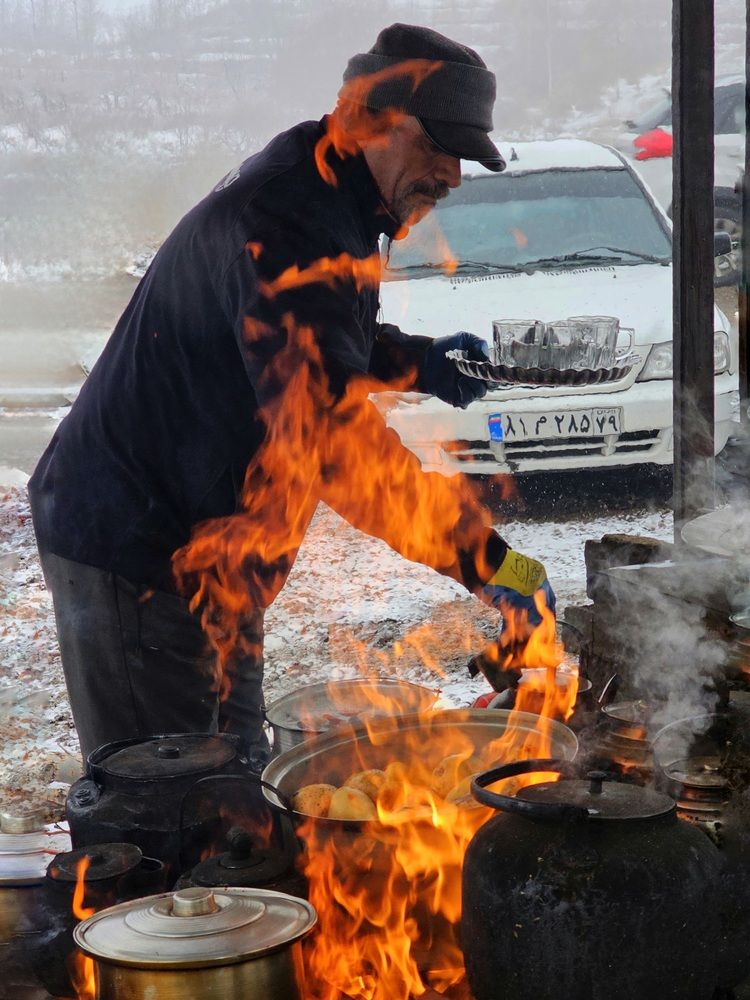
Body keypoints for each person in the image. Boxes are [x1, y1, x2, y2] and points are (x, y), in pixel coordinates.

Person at [28, 23, 555, 767]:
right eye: (441, 149)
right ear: (378, 121)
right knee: (168, 810)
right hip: (138, 547)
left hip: (221, 558)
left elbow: (306, 336)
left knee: (239, 781)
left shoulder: (326, 192)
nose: (454, 176)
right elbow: (332, 443)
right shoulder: (286, 217)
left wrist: (415, 362)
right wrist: (488, 562)